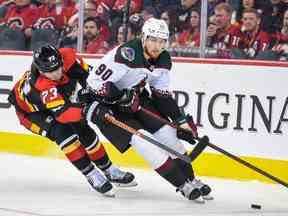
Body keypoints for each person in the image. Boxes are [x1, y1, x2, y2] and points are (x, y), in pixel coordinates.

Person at [85, 17, 212, 202]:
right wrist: (119, 97)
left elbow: (161, 95)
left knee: (169, 134)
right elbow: (94, 84)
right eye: (153, 39)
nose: (157, 46)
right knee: (145, 143)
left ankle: (191, 179)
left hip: (135, 99)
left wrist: (181, 121)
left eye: (162, 41)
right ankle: (182, 185)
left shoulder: (163, 59)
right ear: (143, 37)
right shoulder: (127, 54)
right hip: (105, 106)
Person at [8, 45, 137, 197]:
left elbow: (90, 77)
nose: (56, 73)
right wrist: (88, 110)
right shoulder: (43, 86)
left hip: (59, 99)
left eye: (58, 67)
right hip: (32, 114)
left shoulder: (68, 56)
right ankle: (91, 174)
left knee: (84, 129)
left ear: (61, 59)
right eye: (50, 71)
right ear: (41, 71)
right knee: (63, 133)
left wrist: (110, 94)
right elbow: (63, 114)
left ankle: (109, 169)